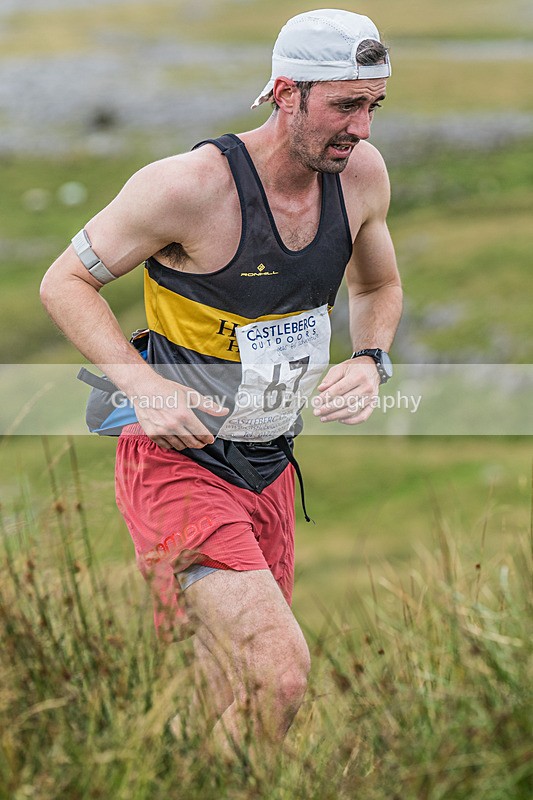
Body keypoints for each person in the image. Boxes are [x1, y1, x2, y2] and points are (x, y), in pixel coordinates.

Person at [40, 8, 402, 766]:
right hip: (176, 462)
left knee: (229, 690)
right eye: (344, 105)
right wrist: (144, 387)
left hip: (268, 465)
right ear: (284, 93)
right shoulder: (187, 187)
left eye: (373, 105)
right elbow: (64, 281)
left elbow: (379, 284)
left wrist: (369, 358)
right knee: (279, 677)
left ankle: (177, 781)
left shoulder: (361, 176)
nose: (361, 129)